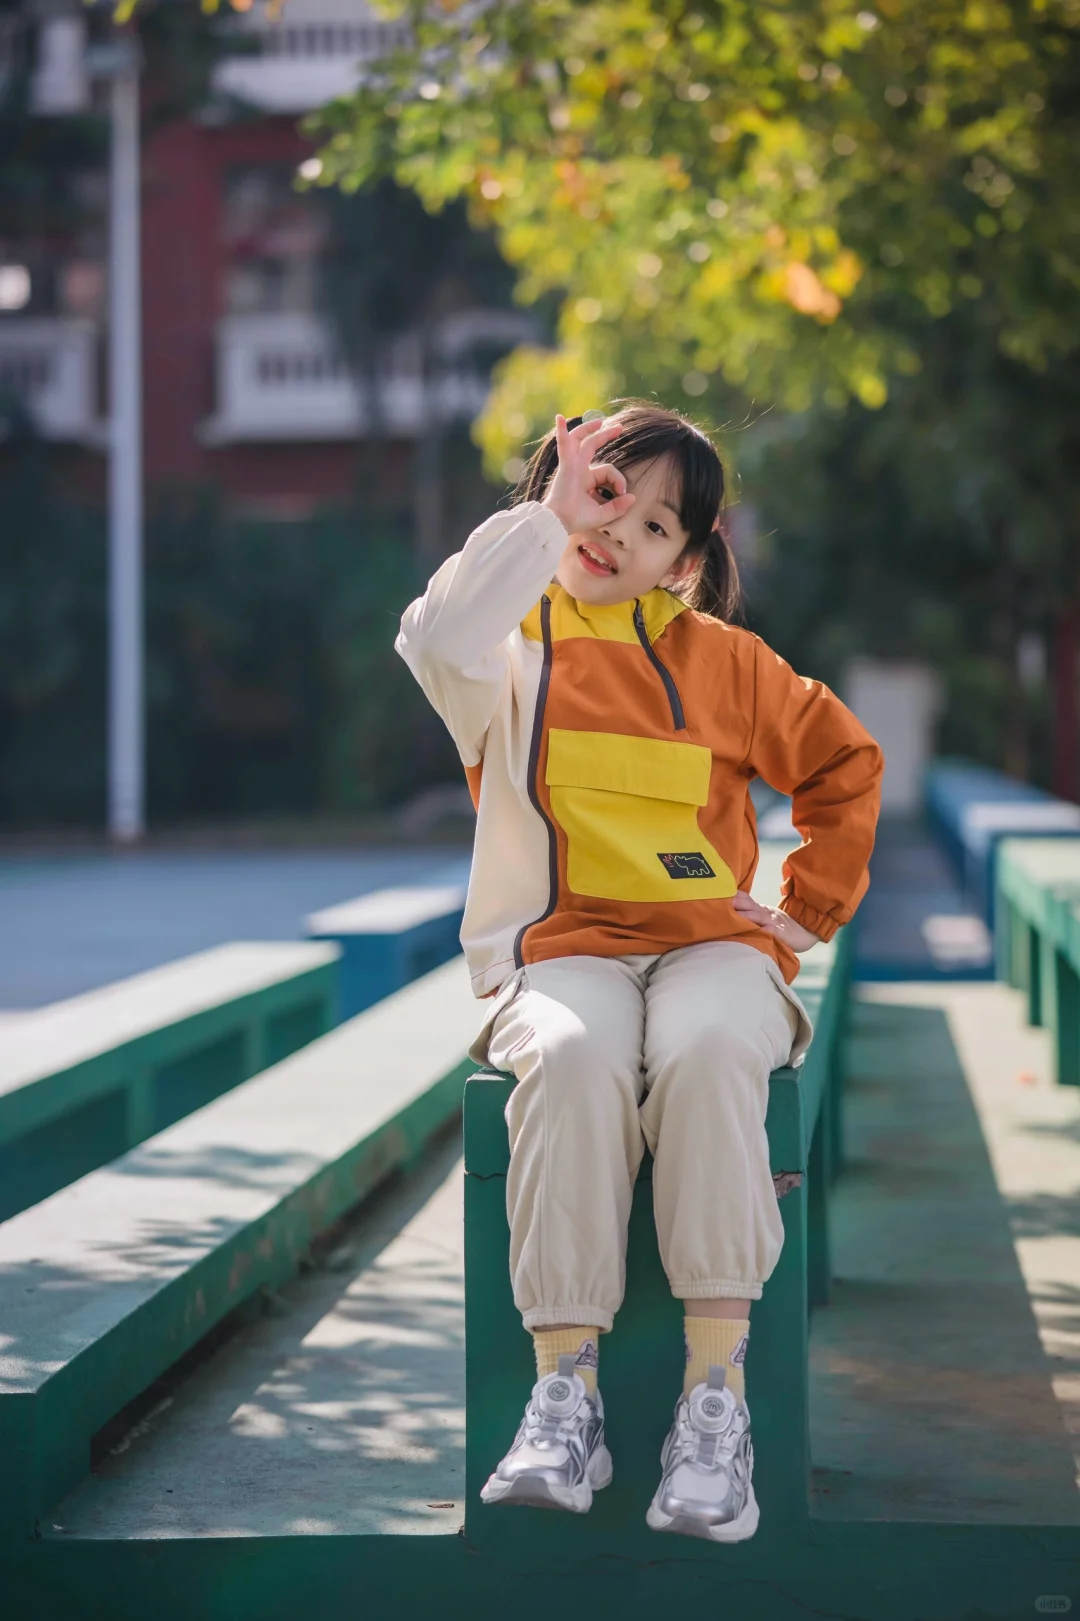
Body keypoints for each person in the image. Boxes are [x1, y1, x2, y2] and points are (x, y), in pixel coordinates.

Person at [396, 403, 882, 1544]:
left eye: (659, 525)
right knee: (569, 1059)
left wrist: (801, 911)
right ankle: (566, 1394)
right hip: (562, 953)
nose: (623, 534)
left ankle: (717, 1407)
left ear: (690, 561)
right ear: (567, 488)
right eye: (611, 496)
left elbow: (843, 763)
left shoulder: (724, 662)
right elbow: (433, 634)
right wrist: (544, 517)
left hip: (710, 945)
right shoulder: (503, 655)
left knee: (714, 1048)